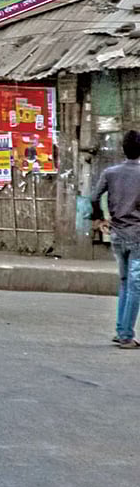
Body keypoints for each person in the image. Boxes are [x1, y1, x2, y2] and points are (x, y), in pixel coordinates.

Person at [92, 129, 140, 348]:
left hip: (117, 234)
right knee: (135, 285)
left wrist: (100, 218)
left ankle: (121, 328)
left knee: (124, 282)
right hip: (137, 235)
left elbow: (94, 198)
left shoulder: (111, 172)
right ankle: (126, 335)